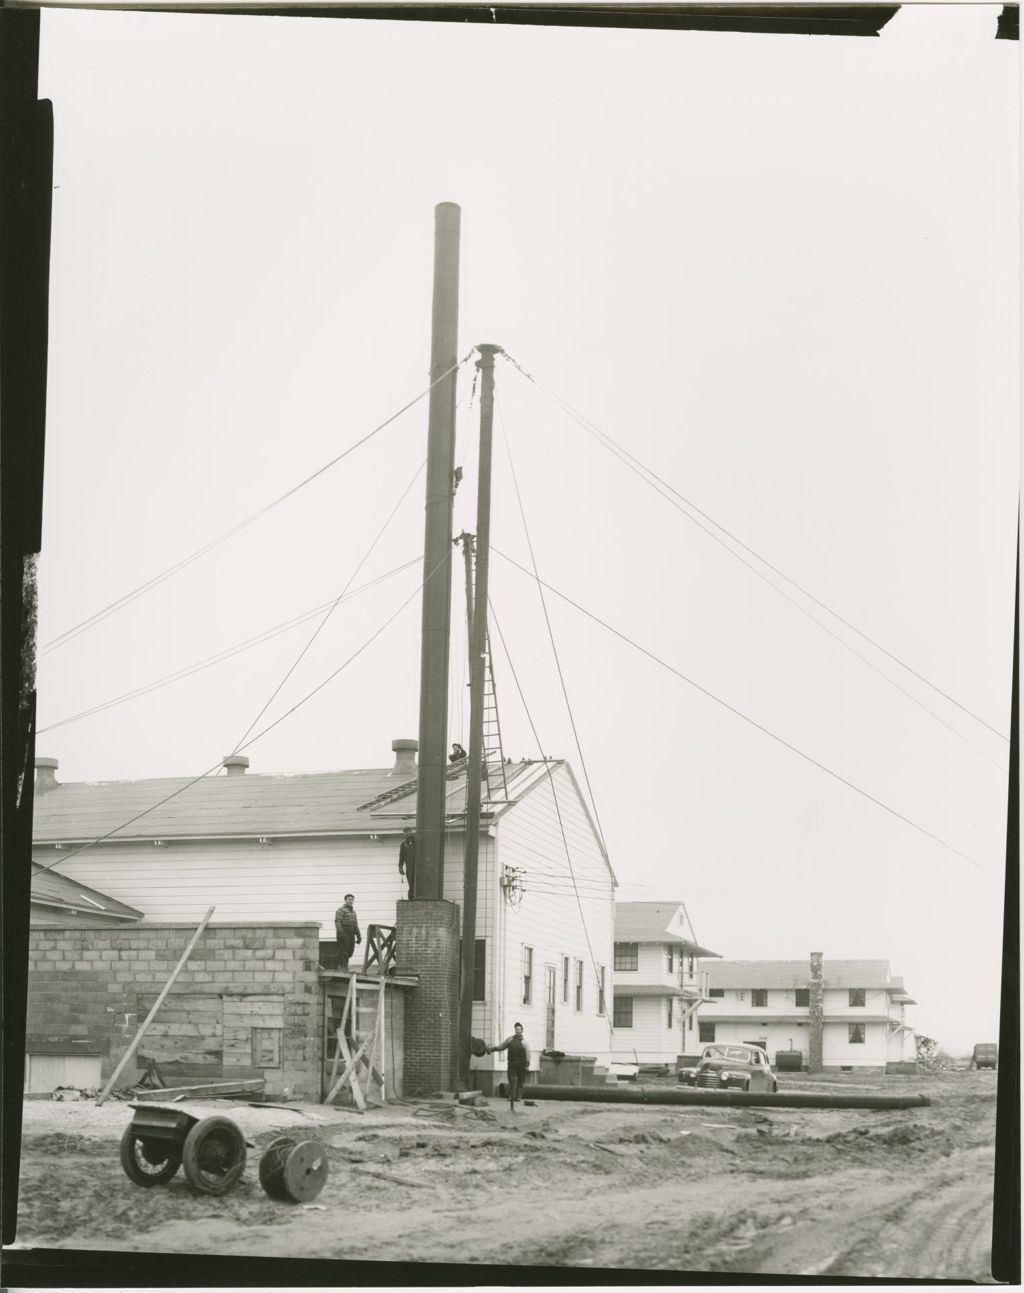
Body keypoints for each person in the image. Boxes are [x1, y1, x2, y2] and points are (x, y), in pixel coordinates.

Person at [487, 1022, 530, 1103]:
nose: (518, 1031)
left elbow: (528, 1054)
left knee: (521, 1081)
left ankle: (518, 1097)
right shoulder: (510, 1040)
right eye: (516, 1029)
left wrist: (527, 1065)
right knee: (512, 1080)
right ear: (515, 1030)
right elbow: (501, 1047)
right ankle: (511, 1096)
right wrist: (492, 1049)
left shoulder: (525, 1042)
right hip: (512, 1064)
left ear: (522, 1031)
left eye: (519, 1029)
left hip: (521, 1064)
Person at [334, 893, 361, 970]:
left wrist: (358, 936)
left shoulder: (353, 912)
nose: (351, 901)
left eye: (352, 900)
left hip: (351, 932)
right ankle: (343, 967)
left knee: (350, 950)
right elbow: (337, 921)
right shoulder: (341, 910)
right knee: (343, 950)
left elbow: (356, 924)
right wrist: (340, 933)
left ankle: (345, 965)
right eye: (349, 899)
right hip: (344, 930)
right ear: (345, 900)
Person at [398, 828, 416, 898]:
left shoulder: (417, 842)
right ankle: (411, 899)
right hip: (410, 868)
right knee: (411, 885)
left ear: (411, 832)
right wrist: (400, 866)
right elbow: (401, 856)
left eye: (409, 831)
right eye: (405, 832)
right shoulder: (403, 845)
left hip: (419, 868)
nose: (407, 833)